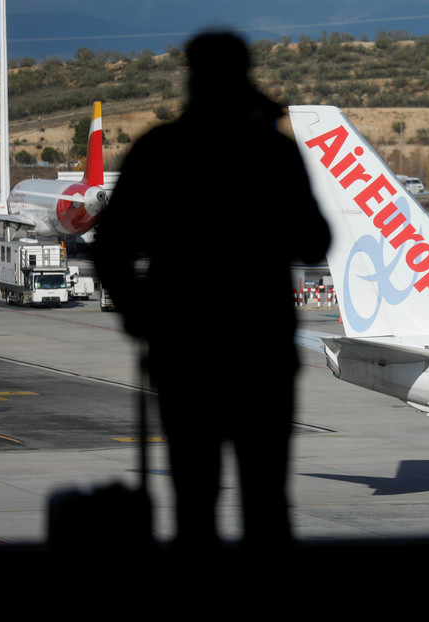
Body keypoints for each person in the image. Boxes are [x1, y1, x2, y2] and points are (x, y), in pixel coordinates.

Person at [94, 30, 331, 548]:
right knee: (266, 504)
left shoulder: (160, 152)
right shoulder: (271, 153)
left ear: (192, 76)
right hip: (259, 355)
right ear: (244, 75)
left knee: (193, 503)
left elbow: (109, 249)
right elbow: (315, 244)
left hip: (185, 354)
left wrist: (140, 315)